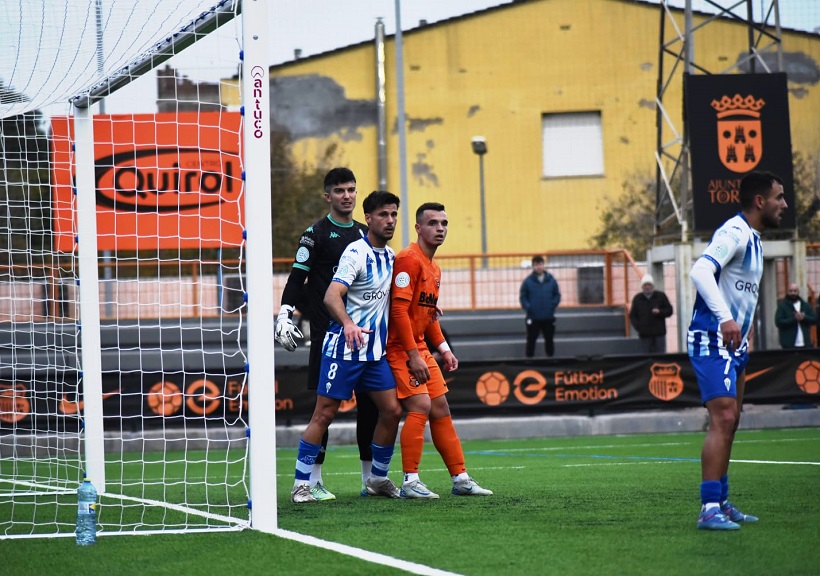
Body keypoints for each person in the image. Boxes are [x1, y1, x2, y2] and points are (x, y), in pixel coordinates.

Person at [687, 170, 787, 530]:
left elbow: (740, 291)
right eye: (779, 197)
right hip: (712, 337)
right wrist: (728, 320)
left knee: (733, 421)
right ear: (760, 201)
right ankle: (708, 508)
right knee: (724, 418)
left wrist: (743, 332)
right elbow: (700, 271)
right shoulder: (735, 232)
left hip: (734, 343)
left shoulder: (755, 239)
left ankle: (722, 501)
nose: (784, 204)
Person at [291, 191, 404, 503]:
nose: (390, 220)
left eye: (394, 214)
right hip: (343, 350)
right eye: (383, 214)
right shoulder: (356, 252)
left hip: (374, 354)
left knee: (392, 410)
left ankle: (377, 479)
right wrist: (349, 324)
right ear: (368, 218)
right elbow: (331, 295)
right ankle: (301, 484)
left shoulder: (391, 257)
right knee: (324, 414)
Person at [275, 167, 380, 501]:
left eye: (351, 189)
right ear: (328, 196)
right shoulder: (315, 234)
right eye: (339, 190)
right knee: (325, 409)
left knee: (371, 407)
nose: (346, 195)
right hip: (327, 334)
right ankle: (312, 481)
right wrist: (284, 312)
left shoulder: (366, 234)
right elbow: (297, 278)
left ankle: (370, 480)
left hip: (362, 336)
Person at [387, 202, 492, 499]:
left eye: (444, 223)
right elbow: (398, 312)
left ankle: (460, 478)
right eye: (433, 223)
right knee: (420, 406)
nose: (440, 229)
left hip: (419, 346)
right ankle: (410, 481)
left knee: (441, 407)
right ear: (418, 228)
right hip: (400, 348)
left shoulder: (434, 267)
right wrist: (413, 355)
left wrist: (444, 349)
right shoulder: (409, 259)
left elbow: (428, 314)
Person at [519, 255, 561, 358]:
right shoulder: (527, 282)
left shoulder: (551, 280)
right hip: (533, 317)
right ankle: (529, 361)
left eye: (540, 264)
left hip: (548, 316)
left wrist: (552, 305)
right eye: (536, 265)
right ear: (533, 267)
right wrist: (529, 307)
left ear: (544, 265)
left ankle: (550, 360)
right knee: (531, 340)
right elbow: (523, 297)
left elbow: (557, 294)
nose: (539, 267)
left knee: (549, 339)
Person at [629, 274, 674, 354]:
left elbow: (669, 310)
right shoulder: (637, 298)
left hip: (659, 334)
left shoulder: (661, 296)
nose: (647, 287)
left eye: (649, 285)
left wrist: (660, 312)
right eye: (645, 285)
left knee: (660, 358)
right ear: (642, 287)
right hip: (644, 336)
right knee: (645, 357)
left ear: (652, 286)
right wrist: (639, 328)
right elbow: (632, 316)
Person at [774, 283, 817, 349]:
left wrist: (803, 317)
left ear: (798, 292)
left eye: (795, 291)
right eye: (790, 291)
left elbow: (814, 319)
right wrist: (794, 319)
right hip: (789, 345)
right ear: (787, 292)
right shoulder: (782, 306)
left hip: (805, 344)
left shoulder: (805, 305)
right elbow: (778, 321)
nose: (793, 293)